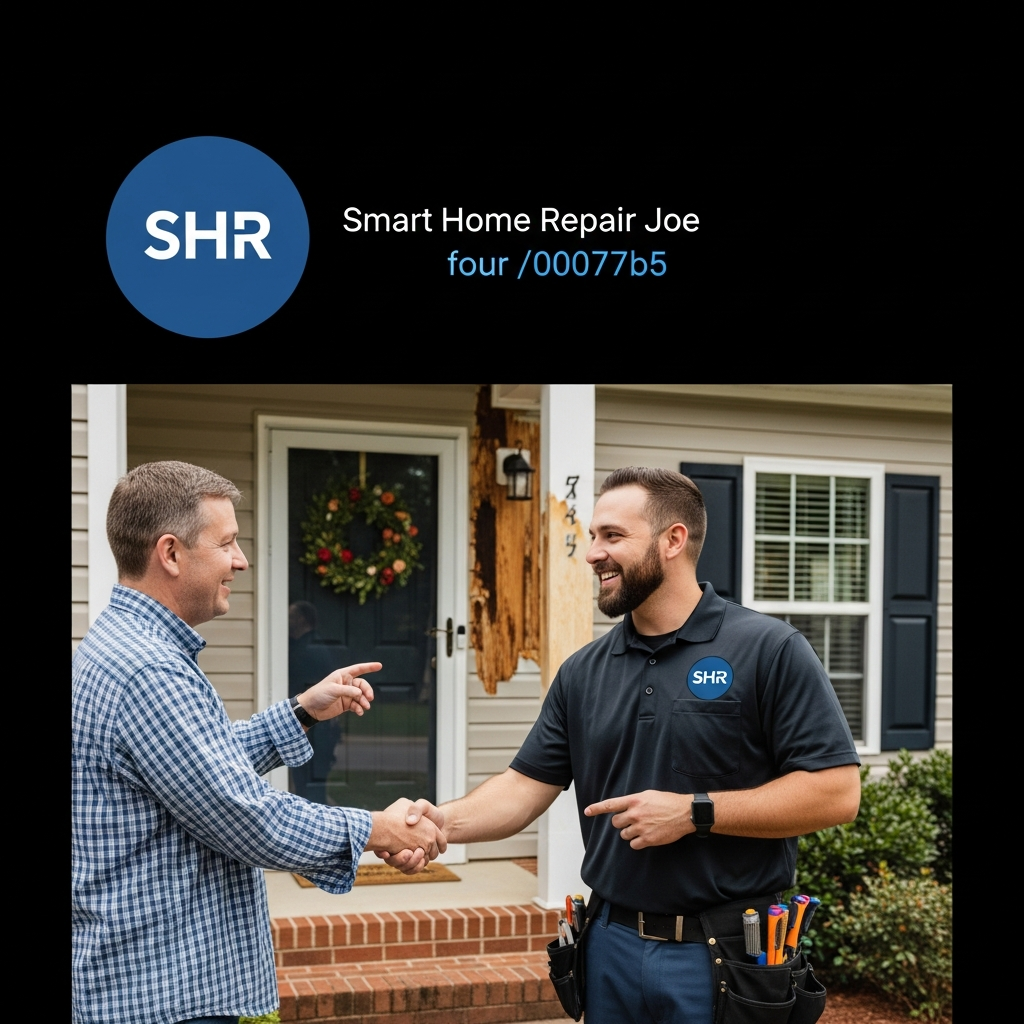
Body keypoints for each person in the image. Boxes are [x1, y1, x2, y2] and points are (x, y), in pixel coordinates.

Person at [393, 467, 862, 1024]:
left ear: (673, 540)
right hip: (608, 945)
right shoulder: (584, 671)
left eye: (612, 536)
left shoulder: (769, 650)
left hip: (723, 957)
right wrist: (436, 824)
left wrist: (696, 812)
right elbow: (524, 787)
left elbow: (836, 793)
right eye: (593, 536)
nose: (593, 553)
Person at [72, 461, 446, 1024]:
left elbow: (193, 770)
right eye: (227, 543)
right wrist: (376, 828)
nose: (241, 561)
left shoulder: (128, 646)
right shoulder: (148, 669)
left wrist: (301, 712)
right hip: (161, 995)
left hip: (155, 985)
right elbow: (241, 813)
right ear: (170, 554)